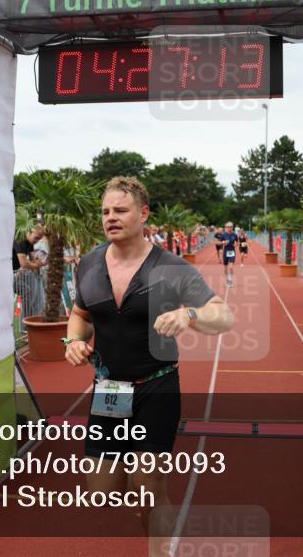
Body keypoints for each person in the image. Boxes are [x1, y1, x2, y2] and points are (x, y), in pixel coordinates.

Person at [63, 177, 234, 555]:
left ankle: (159, 548)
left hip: (156, 387)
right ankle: (151, 515)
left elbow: (223, 315)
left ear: (143, 214)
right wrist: (72, 341)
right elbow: (79, 315)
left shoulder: (171, 267)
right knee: (102, 490)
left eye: (120, 210)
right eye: (106, 211)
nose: (111, 218)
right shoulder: (89, 263)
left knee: (150, 484)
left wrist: (188, 314)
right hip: (109, 390)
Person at [13, 224, 46, 322]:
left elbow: (33, 258)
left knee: (35, 297)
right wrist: (36, 265)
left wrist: (38, 262)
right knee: (27, 293)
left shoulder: (29, 242)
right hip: (10, 274)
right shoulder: (21, 239)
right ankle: (25, 325)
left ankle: (30, 323)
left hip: (17, 273)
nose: (37, 241)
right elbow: (24, 263)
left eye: (39, 239)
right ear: (30, 232)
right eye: (36, 238)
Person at [214, 221, 238, 286]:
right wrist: (223, 242)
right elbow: (217, 242)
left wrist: (236, 244)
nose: (229, 228)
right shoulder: (224, 235)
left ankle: (230, 280)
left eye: (230, 227)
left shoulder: (235, 235)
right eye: (228, 227)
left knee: (231, 267)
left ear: (232, 227)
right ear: (226, 228)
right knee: (225, 268)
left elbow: (237, 243)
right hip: (225, 252)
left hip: (232, 252)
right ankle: (227, 279)